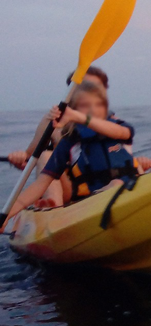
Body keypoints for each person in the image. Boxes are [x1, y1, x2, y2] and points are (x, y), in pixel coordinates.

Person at [2, 83, 138, 229]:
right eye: (84, 106)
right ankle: (53, 211)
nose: (92, 110)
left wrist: (81, 117)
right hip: (96, 201)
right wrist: (6, 215)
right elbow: (40, 185)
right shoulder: (69, 142)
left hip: (135, 191)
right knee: (115, 184)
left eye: (98, 105)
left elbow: (122, 133)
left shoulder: (120, 127)